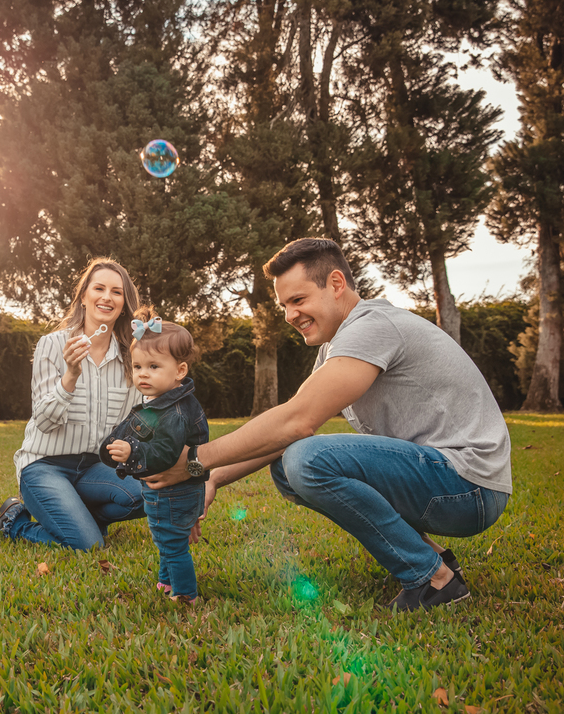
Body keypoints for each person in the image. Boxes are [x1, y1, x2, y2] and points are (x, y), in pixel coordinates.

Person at [145, 238, 512, 612]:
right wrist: (212, 478)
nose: (289, 315)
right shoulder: (338, 345)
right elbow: (286, 428)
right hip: (448, 481)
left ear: (336, 284)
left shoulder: (373, 326)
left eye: (298, 300)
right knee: (289, 464)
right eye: (284, 305)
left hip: (468, 486)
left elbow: (297, 422)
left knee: (306, 458)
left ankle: (433, 581)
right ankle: (432, 560)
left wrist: (194, 459)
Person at [0, 258, 146, 549]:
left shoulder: (131, 357)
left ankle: (79, 517)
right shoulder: (53, 345)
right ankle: (13, 523)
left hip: (95, 467)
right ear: (84, 296)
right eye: (99, 288)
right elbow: (44, 422)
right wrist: (70, 374)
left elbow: (138, 421)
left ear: (123, 304)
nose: (107, 297)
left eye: (117, 292)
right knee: (89, 545)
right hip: (45, 466)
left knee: (146, 495)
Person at [100, 316, 210, 604]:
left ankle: (186, 594)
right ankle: (165, 581)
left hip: (172, 491)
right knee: (165, 539)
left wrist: (133, 453)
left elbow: (166, 453)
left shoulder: (172, 411)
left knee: (172, 544)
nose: (142, 374)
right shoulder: (164, 401)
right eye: (137, 367)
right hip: (173, 490)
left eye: (153, 367)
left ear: (180, 371)